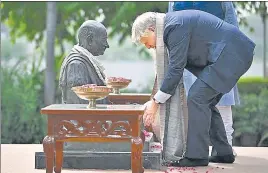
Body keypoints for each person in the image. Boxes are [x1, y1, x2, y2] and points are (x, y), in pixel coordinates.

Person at [131, 10, 255, 167]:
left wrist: (155, 102)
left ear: (151, 29)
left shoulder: (173, 27)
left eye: (144, 41)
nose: (147, 46)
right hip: (234, 52)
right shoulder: (171, 25)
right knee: (205, 101)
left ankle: (197, 156)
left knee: (197, 98)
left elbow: (176, 68)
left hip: (231, 53)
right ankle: (224, 152)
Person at [168, 1, 240, 157]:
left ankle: (221, 147)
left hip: (211, 58)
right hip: (194, 60)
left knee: (219, 103)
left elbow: (233, 31)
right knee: (198, 104)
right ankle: (201, 150)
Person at [59, 20, 109, 104]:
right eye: (104, 40)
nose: (107, 45)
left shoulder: (86, 62)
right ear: (89, 40)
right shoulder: (76, 65)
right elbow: (80, 105)